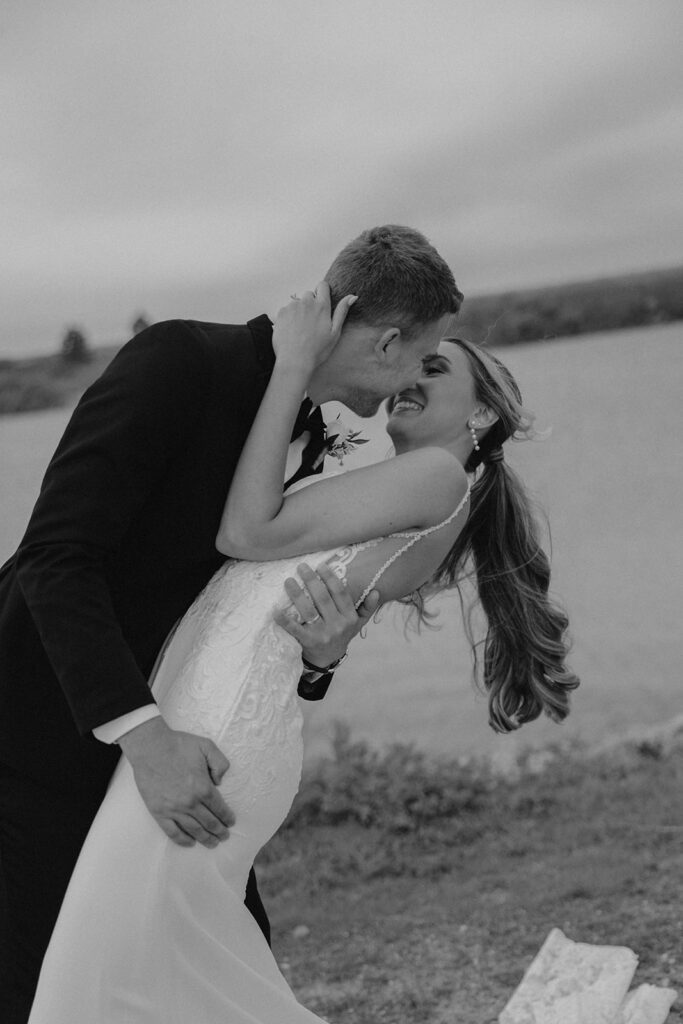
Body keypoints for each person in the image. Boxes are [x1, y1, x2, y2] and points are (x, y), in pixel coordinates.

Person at [27, 286, 579, 1022]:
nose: (409, 377)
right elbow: (303, 617)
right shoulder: (400, 486)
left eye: (434, 368)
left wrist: (290, 368)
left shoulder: (438, 477)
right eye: (412, 359)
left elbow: (247, 538)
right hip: (211, 719)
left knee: (104, 972)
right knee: (159, 972)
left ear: (482, 414)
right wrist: (323, 658)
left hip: (215, 727)